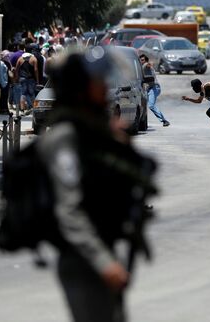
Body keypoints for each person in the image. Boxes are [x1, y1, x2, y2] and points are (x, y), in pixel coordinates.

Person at [39, 47, 157, 322]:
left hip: (104, 250)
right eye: (98, 83)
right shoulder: (65, 139)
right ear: (81, 89)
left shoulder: (92, 135)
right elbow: (69, 212)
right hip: (82, 260)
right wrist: (104, 264)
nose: (105, 88)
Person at [140, 54, 170, 127]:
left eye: (143, 60)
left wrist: (149, 64)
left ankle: (164, 120)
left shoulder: (145, 66)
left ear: (146, 60)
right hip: (147, 88)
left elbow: (149, 64)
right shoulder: (140, 67)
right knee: (141, 105)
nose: (141, 61)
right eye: (140, 60)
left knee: (151, 105)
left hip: (154, 88)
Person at [15, 46, 39, 113]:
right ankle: (35, 109)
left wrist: (16, 78)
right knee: (32, 94)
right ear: (31, 51)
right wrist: (37, 80)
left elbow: (16, 70)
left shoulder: (20, 59)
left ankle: (22, 110)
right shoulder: (34, 59)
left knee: (23, 94)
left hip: (22, 78)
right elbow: (36, 70)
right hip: (31, 79)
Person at [0, 50, 10, 114]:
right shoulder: (1, 64)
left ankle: (5, 109)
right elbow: (0, 74)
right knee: (3, 97)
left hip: (5, 82)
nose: (8, 57)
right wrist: (3, 84)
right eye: (7, 56)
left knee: (5, 96)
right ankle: (3, 109)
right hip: (4, 83)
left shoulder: (5, 63)